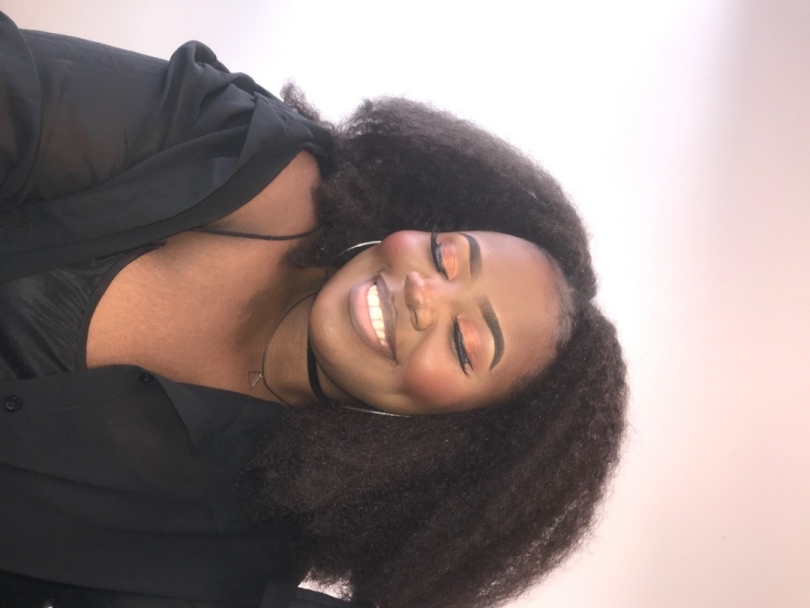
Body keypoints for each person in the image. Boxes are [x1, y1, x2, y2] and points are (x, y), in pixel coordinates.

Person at [0, 11, 627, 608]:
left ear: (452, 435)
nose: (423, 292)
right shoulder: (247, 155)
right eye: (445, 255)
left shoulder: (246, 543)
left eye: (464, 343)